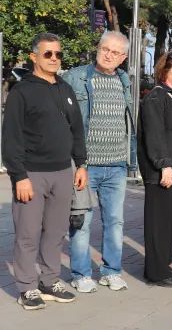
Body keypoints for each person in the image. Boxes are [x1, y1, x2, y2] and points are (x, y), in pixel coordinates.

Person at [2, 33, 88, 309]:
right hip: (31, 174)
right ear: (34, 56)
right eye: (48, 53)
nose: (54, 58)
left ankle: (49, 281)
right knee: (28, 234)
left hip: (63, 172)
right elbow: (11, 137)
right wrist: (19, 176)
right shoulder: (22, 91)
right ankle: (27, 287)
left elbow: (77, 129)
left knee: (56, 231)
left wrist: (81, 164)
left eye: (58, 54)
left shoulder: (65, 88)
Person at [62, 31, 135, 293]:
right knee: (81, 221)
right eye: (105, 49)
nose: (109, 55)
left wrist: (130, 159)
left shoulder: (124, 80)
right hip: (85, 166)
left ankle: (111, 272)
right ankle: (81, 274)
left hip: (116, 165)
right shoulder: (76, 77)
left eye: (115, 52)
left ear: (123, 57)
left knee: (115, 222)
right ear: (98, 48)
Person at [138, 51, 172, 288]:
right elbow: (155, 134)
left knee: (169, 222)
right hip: (161, 171)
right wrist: (164, 164)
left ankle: (163, 264)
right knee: (158, 223)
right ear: (165, 71)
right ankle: (156, 272)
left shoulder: (171, 95)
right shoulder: (156, 97)